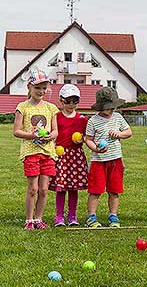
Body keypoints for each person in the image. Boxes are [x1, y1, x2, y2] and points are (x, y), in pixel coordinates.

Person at [13, 69, 59, 230]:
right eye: (37, 87)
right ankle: (29, 220)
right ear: (29, 87)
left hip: (47, 153)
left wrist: (50, 137)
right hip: (31, 152)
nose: (41, 91)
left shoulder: (51, 108)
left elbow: (55, 131)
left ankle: (39, 219)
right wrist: (32, 136)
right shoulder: (22, 107)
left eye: (44, 88)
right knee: (33, 189)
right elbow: (16, 131)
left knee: (44, 189)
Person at [85, 86, 132, 228]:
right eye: (108, 108)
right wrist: (96, 149)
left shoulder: (118, 117)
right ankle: (91, 217)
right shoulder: (93, 121)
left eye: (113, 107)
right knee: (95, 190)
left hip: (115, 160)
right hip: (98, 162)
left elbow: (129, 132)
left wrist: (119, 134)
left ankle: (113, 216)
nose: (111, 110)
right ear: (100, 107)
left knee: (114, 190)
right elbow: (88, 139)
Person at [49, 84, 88, 227]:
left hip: (76, 157)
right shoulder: (56, 117)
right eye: (68, 101)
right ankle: (59, 216)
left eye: (75, 100)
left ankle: (72, 216)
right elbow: (52, 134)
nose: (71, 104)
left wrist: (81, 139)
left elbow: (87, 137)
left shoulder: (82, 119)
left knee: (73, 188)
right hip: (60, 156)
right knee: (61, 188)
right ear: (61, 100)